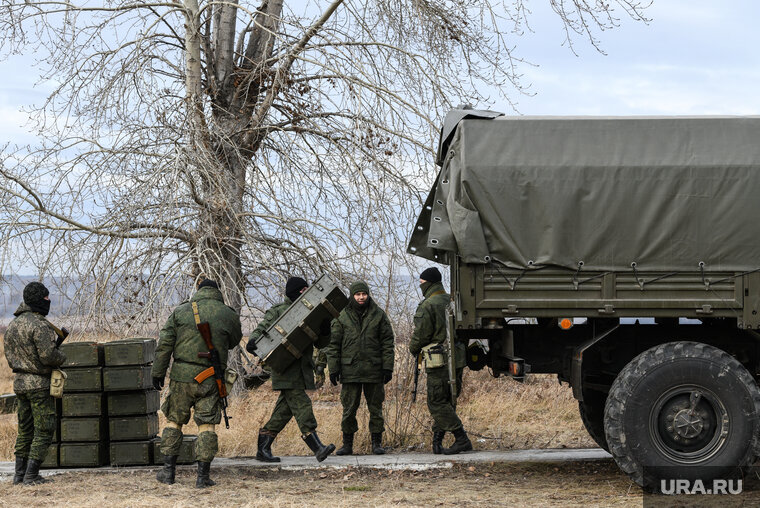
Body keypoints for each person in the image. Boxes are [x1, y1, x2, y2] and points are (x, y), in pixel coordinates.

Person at [152, 278, 242, 488]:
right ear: (217, 292)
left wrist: (158, 372)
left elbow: (165, 344)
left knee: (174, 421)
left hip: (181, 377)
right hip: (210, 377)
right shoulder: (228, 313)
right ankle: (202, 477)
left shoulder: (181, 311)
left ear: (198, 291)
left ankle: (168, 472)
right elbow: (235, 341)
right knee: (207, 425)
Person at [246, 276, 335, 463]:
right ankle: (317, 448)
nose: (306, 292)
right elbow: (262, 328)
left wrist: (325, 330)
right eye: (302, 290)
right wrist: (253, 341)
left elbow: (321, 342)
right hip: (284, 369)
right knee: (303, 407)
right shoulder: (279, 311)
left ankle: (263, 449)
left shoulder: (311, 311)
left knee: (283, 413)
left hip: (302, 370)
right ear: (295, 291)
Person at [4, 282, 67, 485]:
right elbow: (48, 357)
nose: (49, 301)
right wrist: (61, 356)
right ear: (40, 300)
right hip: (39, 385)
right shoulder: (39, 324)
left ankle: (18, 475)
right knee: (44, 429)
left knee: (25, 430)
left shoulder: (13, 325)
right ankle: (31, 476)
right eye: (47, 298)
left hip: (20, 384)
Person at [409, 267, 472, 455]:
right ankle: (437, 443)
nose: (420, 286)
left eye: (421, 283)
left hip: (438, 360)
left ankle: (462, 439)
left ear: (427, 284)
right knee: (448, 400)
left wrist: (413, 349)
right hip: (459, 358)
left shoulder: (428, 305)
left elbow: (421, 335)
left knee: (436, 401)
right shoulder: (454, 302)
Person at [326, 281, 394, 455]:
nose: (361, 297)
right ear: (352, 295)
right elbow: (333, 345)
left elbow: (387, 342)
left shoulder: (378, 315)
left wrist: (388, 367)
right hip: (350, 371)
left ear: (368, 294)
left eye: (364, 294)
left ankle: (376, 444)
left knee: (376, 408)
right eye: (358, 294)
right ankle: (347, 445)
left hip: (374, 370)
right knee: (349, 409)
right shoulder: (342, 316)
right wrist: (333, 369)